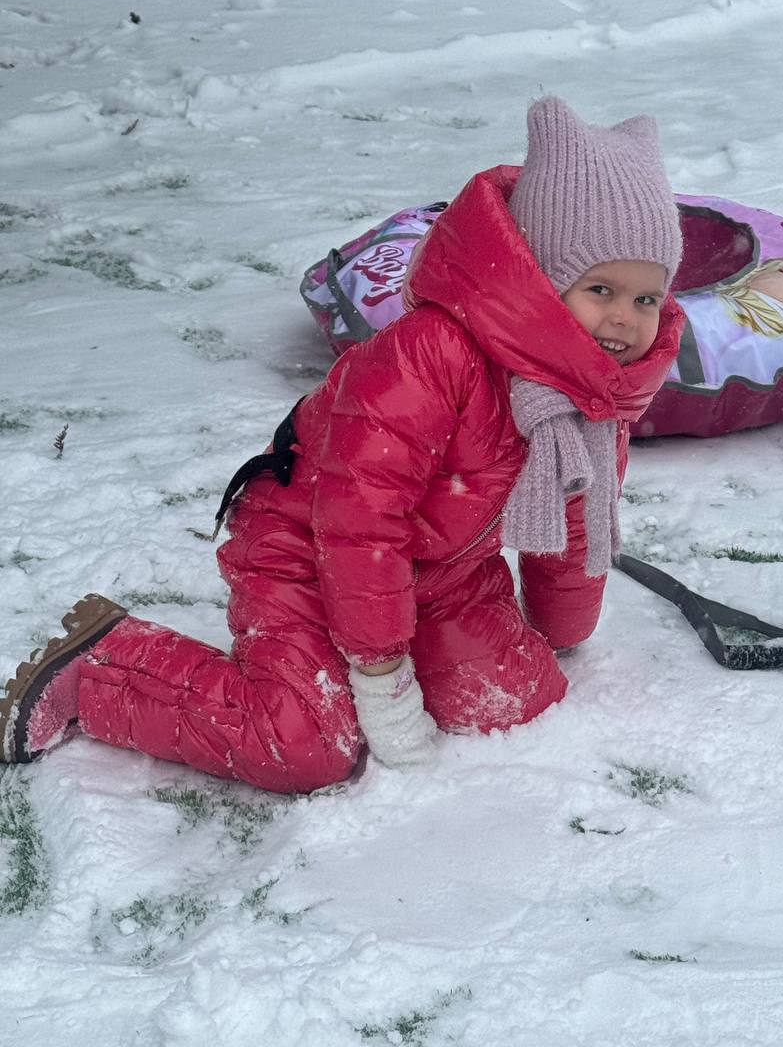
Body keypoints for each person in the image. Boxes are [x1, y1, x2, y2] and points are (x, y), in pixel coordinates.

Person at [0, 97, 685, 793]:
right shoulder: (431, 355)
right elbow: (360, 520)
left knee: (513, 699)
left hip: (442, 570)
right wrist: (381, 673)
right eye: (601, 289)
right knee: (306, 745)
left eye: (645, 299)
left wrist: (561, 629)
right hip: (306, 552)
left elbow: (576, 511)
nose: (624, 319)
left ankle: (398, 639)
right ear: (539, 276)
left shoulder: (593, 393)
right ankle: (100, 668)